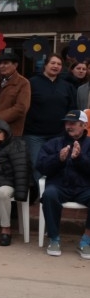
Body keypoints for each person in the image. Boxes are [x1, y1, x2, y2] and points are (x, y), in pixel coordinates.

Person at [36, 109, 90, 259]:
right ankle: (54, 238)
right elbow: (40, 166)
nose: (69, 126)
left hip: (83, 187)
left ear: (84, 125)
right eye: (67, 123)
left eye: (73, 123)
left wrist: (80, 159)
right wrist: (58, 159)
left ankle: (87, 240)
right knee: (49, 194)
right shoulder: (55, 143)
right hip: (59, 186)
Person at [24, 54, 76, 180]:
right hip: (35, 135)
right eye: (53, 63)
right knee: (37, 165)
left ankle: (51, 194)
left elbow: (72, 109)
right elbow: (24, 106)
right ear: (45, 65)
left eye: (59, 64)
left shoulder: (67, 86)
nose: (56, 66)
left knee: (59, 164)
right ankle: (41, 196)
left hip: (58, 135)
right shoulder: (31, 83)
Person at [0, 50, 30, 138]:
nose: (2, 66)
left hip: (11, 132)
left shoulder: (23, 83)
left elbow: (21, 108)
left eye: (6, 63)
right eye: (0, 63)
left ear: (15, 65)